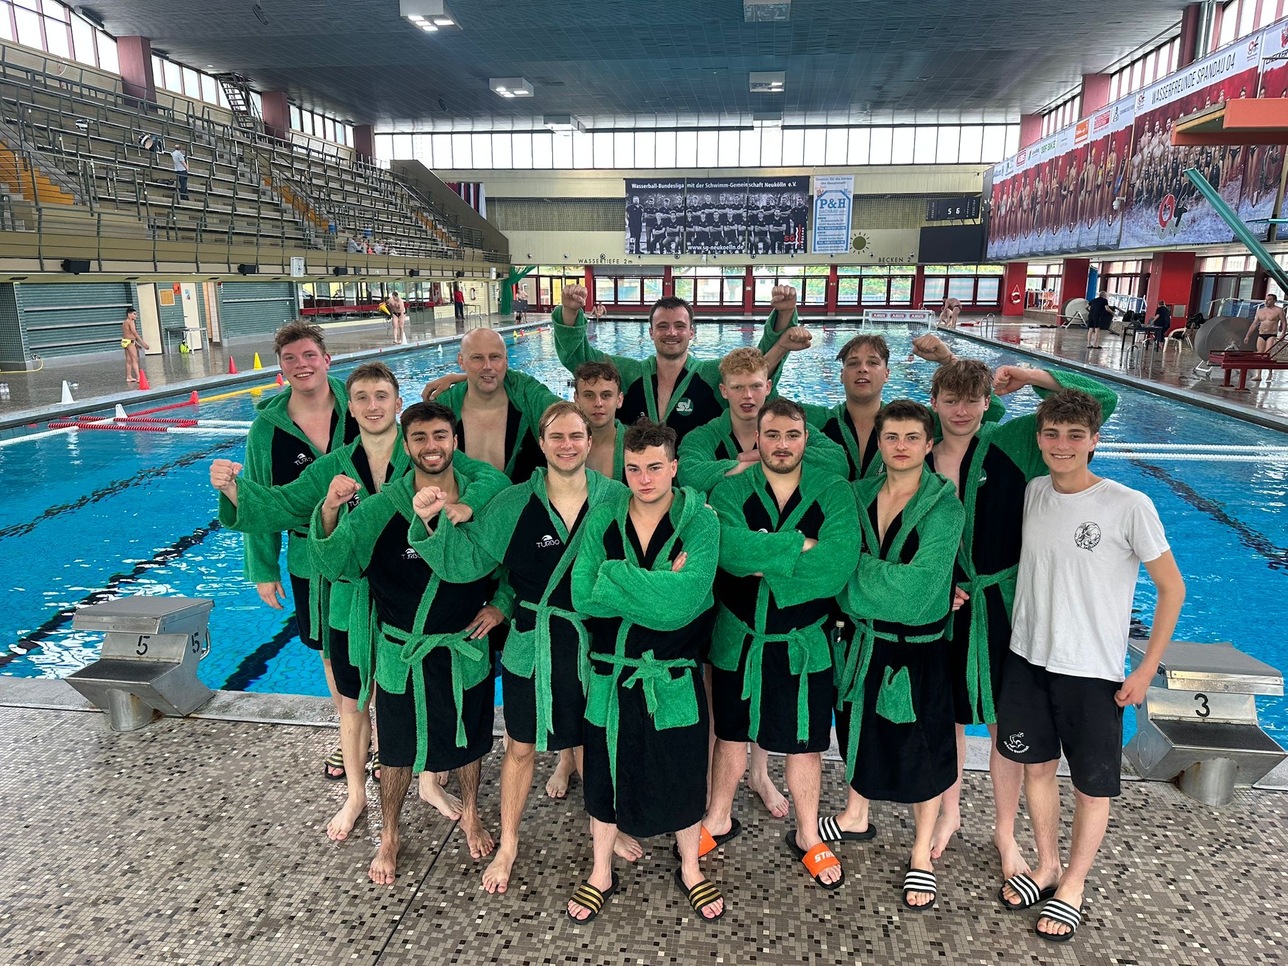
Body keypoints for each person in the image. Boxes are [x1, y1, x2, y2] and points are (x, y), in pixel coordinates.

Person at [911, 337, 1117, 896]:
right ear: (934, 402)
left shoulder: (1010, 444)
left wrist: (1030, 374)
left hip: (1004, 604)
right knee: (949, 712)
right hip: (940, 605)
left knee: (1005, 720)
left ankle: (1005, 834)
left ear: (985, 405)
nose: (960, 410)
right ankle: (949, 812)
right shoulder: (918, 454)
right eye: (950, 399)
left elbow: (1101, 399)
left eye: (971, 400)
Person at [417, 402, 644, 894]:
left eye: (576, 436)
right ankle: (509, 844)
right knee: (519, 749)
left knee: (594, 743)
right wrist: (432, 523)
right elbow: (467, 560)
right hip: (531, 644)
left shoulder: (615, 498)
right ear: (542, 445)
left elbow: (649, 549)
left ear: (590, 441)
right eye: (557, 437)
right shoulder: (514, 503)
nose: (567, 445)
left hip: (592, 645)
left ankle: (605, 826)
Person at [996, 389, 1184, 943]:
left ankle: (1074, 883)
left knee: (1091, 787)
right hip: (1028, 657)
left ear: (1094, 441)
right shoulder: (1033, 493)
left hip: (1093, 670)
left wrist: (1146, 668)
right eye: (1052, 434)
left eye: (1075, 436)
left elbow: (1172, 589)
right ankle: (1048, 862)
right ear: (1039, 438)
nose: (1062, 445)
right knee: (1036, 770)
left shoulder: (1128, 505)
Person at [310, 402, 510, 884]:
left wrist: (501, 604)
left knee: (470, 742)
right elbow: (336, 561)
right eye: (419, 438)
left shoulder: (482, 500)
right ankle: (390, 833)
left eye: (440, 435)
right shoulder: (383, 508)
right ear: (406, 446)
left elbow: (510, 562)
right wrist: (330, 509)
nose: (431, 446)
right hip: (404, 653)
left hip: (464, 647)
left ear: (455, 440)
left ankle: (473, 814)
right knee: (397, 752)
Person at [567, 420, 723, 923]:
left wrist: (613, 578)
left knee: (682, 770)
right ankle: (599, 872)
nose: (644, 478)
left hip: (673, 675)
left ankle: (691, 867)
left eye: (655, 467)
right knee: (605, 774)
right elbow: (581, 594)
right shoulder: (603, 519)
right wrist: (653, 583)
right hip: (612, 675)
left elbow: (684, 604)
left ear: (674, 467)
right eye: (633, 469)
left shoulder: (701, 522)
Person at [703, 399, 859, 890]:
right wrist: (798, 545)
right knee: (730, 735)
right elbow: (729, 552)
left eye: (792, 435)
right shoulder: (732, 490)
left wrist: (765, 552)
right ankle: (717, 819)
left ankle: (809, 835)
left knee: (805, 746)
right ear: (757, 439)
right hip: (740, 640)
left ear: (805, 438)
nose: (782, 444)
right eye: (772, 435)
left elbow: (837, 564)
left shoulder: (832, 491)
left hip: (803, 643)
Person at [833, 399, 965, 911]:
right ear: (880, 443)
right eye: (893, 437)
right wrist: (850, 575)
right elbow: (832, 561)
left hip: (918, 652)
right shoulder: (857, 493)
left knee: (923, 751)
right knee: (857, 732)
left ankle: (921, 855)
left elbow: (919, 593)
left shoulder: (944, 506)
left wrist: (850, 576)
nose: (902, 447)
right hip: (863, 643)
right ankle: (855, 814)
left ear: (929, 445)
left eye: (913, 438)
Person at [241, 321, 359, 782]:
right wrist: (263, 568)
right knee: (330, 650)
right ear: (281, 369)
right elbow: (256, 502)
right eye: (290, 359)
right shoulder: (267, 430)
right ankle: (350, 732)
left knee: (377, 642)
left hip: (365, 549)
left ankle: (385, 731)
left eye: (309, 355)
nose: (301, 365)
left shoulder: (360, 407)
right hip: (309, 555)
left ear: (326, 360)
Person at [551, 283, 805, 446]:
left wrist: (784, 314)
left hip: (697, 481)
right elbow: (581, 360)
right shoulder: (628, 373)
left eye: (679, 326)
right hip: (638, 483)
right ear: (651, 332)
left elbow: (757, 364)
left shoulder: (711, 374)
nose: (671, 332)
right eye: (662, 326)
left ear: (692, 332)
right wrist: (570, 311)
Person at [677, 347, 848, 494]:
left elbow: (837, 462)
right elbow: (688, 474)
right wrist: (753, 465)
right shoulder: (704, 436)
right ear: (724, 391)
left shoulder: (791, 428)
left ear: (767, 387)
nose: (747, 396)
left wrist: (764, 455)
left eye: (755, 386)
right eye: (738, 387)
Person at [423, 328, 561, 481]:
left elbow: (570, 415)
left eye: (495, 357)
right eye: (477, 358)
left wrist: (473, 376)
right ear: (461, 361)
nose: (487, 365)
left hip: (522, 503)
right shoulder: (444, 407)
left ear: (506, 361)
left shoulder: (527, 397)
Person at [574, 361, 627, 482]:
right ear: (576, 399)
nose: (598, 403)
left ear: (619, 399)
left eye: (606, 395)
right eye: (589, 395)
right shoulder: (564, 446)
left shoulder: (637, 445)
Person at [1242, 292, 1287, 383]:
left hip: (1272, 334)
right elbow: (1254, 324)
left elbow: (1284, 322)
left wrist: (1282, 334)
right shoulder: (1260, 311)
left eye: (1269, 300)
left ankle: (1270, 372)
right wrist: (1247, 335)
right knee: (1260, 354)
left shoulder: (1278, 310)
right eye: (1266, 299)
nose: (1267, 301)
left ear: (1274, 301)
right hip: (1261, 334)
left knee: (1268, 353)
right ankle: (1258, 374)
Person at [121, 308, 149, 384]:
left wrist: (136, 343)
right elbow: (134, 333)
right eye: (134, 314)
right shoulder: (131, 322)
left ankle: (129, 376)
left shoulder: (124, 323)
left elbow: (127, 334)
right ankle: (138, 377)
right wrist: (143, 343)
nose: (136, 316)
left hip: (126, 342)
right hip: (130, 342)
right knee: (135, 360)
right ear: (129, 315)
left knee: (129, 360)